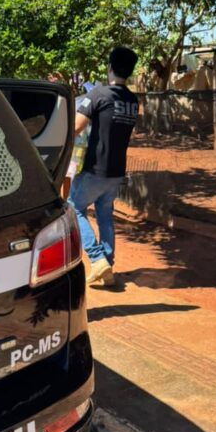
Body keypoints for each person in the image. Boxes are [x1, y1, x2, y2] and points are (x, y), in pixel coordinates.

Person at [68, 47, 139, 287]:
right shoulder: (132, 99)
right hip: (116, 170)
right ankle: (108, 267)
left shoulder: (99, 94)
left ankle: (97, 259)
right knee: (105, 215)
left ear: (109, 66)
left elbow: (75, 127)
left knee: (73, 207)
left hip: (95, 168)